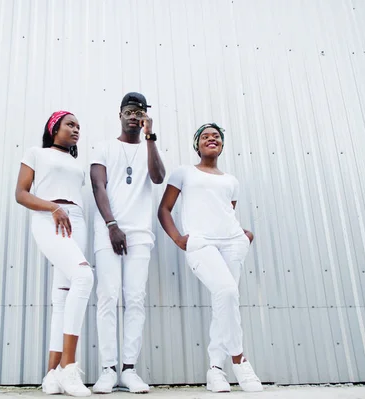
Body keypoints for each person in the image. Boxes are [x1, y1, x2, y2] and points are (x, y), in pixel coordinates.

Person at [157, 123, 263, 393]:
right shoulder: (184, 173)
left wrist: (243, 236)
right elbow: (164, 210)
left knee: (224, 302)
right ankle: (239, 359)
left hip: (232, 244)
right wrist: (179, 239)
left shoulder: (231, 181)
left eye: (216, 136)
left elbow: (227, 213)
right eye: (205, 137)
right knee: (227, 292)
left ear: (222, 145)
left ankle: (215, 370)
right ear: (197, 145)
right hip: (201, 243)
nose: (211, 139)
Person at [90, 93, 166, 394]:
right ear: (119, 114)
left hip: (140, 234)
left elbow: (159, 177)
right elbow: (98, 185)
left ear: (145, 117)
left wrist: (151, 137)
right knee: (108, 296)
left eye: (139, 112)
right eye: (129, 111)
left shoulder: (150, 146)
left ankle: (129, 370)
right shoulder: (104, 147)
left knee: (135, 298)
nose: (133, 116)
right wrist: (112, 225)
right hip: (108, 230)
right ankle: (107, 369)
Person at [15, 111, 93, 397]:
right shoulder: (36, 153)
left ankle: (51, 375)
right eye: (70, 124)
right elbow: (21, 194)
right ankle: (69, 368)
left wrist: (68, 212)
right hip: (50, 218)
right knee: (84, 275)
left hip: (77, 220)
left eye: (79, 126)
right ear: (53, 128)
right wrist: (53, 208)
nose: (76, 130)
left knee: (62, 293)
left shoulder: (76, 163)